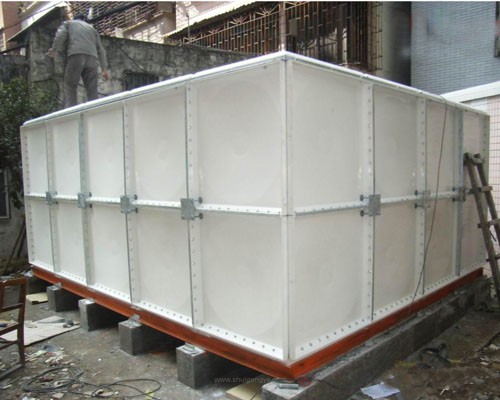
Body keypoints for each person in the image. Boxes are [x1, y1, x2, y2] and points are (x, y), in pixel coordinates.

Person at [49, 14, 110, 108]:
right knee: (92, 89)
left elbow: (60, 35)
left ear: (74, 19)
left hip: (76, 55)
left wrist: (54, 49)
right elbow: (101, 50)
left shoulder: (69, 23)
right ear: (84, 20)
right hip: (92, 59)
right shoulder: (92, 29)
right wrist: (104, 69)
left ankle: (71, 110)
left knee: (70, 85)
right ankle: (94, 110)